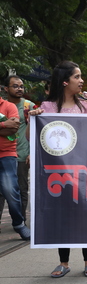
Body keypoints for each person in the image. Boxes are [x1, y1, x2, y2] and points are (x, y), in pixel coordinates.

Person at [28, 61, 87, 277]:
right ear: (65, 81)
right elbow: (32, 139)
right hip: (57, 174)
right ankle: (63, 262)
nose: (82, 81)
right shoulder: (47, 107)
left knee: (85, 214)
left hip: (83, 171)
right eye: (77, 77)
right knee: (62, 215)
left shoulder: (84, 107)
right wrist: (32, 120)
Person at [0, 76, 36, 221]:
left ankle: (21, 222)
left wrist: (31, 152)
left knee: (21, 188)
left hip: (22, 154)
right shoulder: (3, 107)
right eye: (15, 86)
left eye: (21, 86)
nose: (19, 89)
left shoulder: (29, 107)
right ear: (6, 89)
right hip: (6, 153)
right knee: (2, 191)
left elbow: (36, 130)